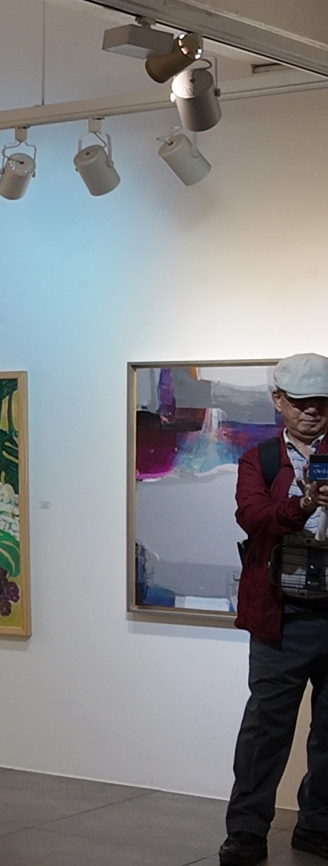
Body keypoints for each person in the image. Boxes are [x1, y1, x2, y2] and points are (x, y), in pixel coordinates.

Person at [222, 353, 328, 866]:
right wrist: (303, 504)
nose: (312, 412)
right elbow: (254, 516)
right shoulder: (260, 460)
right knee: (266, 731)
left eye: (322, 402)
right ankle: (246, 832)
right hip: (280, 617)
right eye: (301, 402)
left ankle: (318, 827)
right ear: (279, 401)